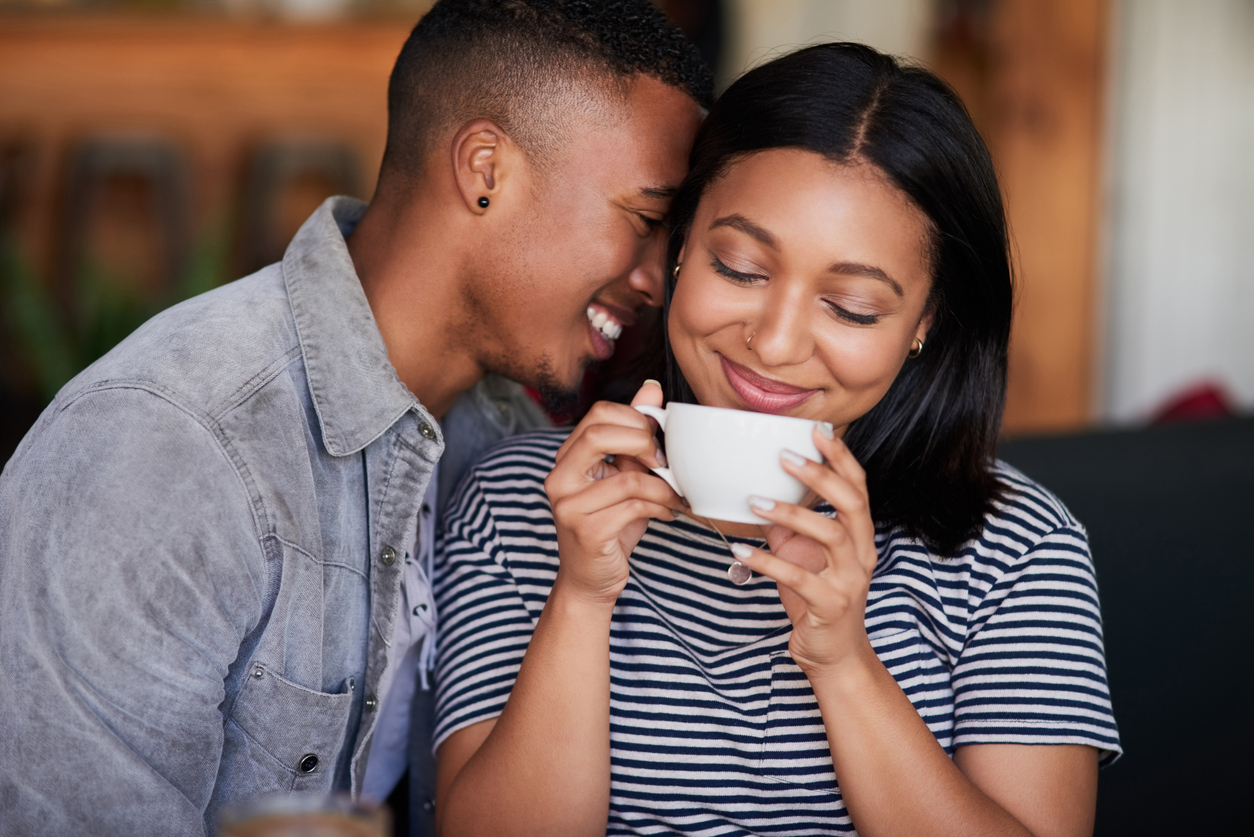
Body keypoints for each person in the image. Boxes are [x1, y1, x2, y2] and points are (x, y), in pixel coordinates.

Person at [0, 2, 710, 834]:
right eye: (646, 219)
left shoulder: (512, 448)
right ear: (485, 170)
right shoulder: (171, 445)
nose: (659, 280)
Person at [432, 42, 1120, 837]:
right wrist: (581, 598)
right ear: (682, 247)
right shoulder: (524, 500)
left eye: (853, 308)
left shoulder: (1019, 548)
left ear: (925, 323)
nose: (777, 340)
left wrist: (843, 661)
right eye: (741, 267)